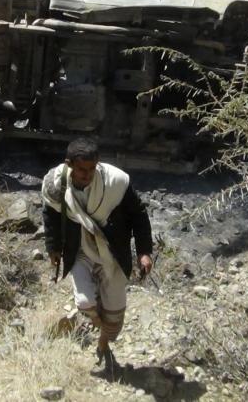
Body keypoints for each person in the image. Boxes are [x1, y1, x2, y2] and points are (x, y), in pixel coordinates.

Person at [42, 138, 153, 375]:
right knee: (84, 302)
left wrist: (144, 251)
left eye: (92, 169)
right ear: (69, 164)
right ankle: (95, 320)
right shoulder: (56, 185)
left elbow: (139, 215)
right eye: (82, 169)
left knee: (114, 320)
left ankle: (103, 341)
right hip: (80, 250)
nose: (87, 174)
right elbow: (50, 214)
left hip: (111, 253)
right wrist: (53, 246)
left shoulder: (116, 183)